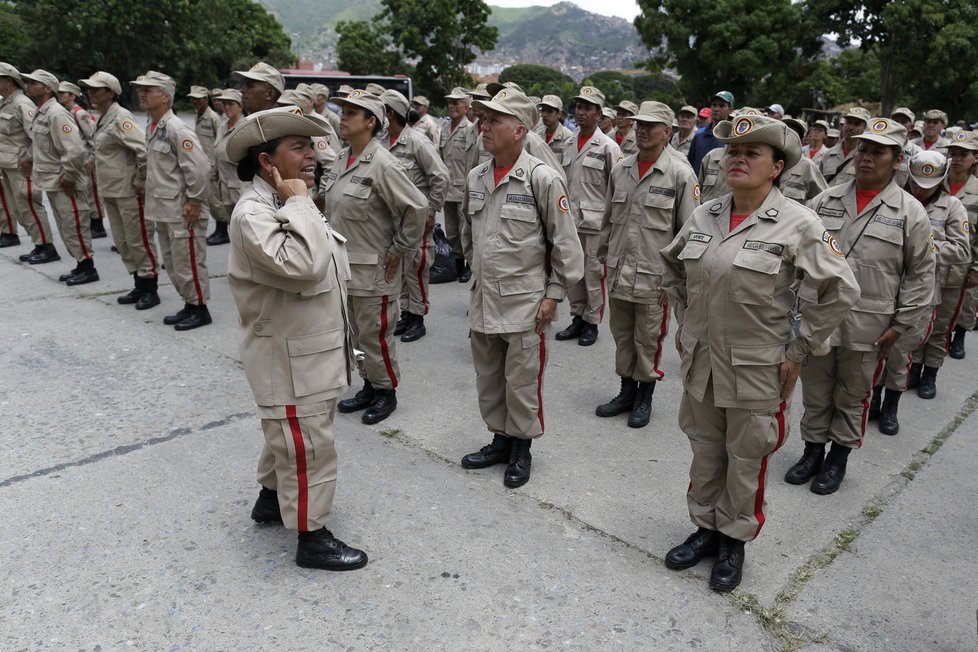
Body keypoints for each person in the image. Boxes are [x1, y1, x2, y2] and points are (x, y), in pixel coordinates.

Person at [660, 114, 859, 592]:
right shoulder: (706, 213)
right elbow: (671, 266)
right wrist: (684, 322)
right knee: (705, 451)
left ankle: (734, 540)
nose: (738, 158)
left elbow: (841, 288)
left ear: (777, 167)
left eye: (752, 153)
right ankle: (705, 528)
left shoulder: (798, 222)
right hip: (703, 363)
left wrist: (800, 345)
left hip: (758, 365)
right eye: (733, 151)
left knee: (746, 457)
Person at [224, 106, 367, 571]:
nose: (313, 155)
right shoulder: (255, 213)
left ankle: (271, 499)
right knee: (308, 446)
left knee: (292, 436)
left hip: (309, 353)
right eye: (298, 147)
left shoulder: (285, 204)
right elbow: (304, 268)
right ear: (268, 162)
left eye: (311, 146)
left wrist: (299, 202)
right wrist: (302, 202)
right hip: (287, 358)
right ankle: (313, 538)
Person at [789, 117, 935, 494]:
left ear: (898, 159)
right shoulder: (826, 199)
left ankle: (838, 459)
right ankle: (811, 451)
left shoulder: (910, 212)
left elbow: (921, 274)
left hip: (870, 322)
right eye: (863, 149)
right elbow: (795, 255)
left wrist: (902, 325)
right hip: (819, 316)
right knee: (816, 388)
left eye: (878, 152)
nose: (866, 157)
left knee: (853, 394)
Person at [458, 87, 584, 487]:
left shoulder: (542, 178)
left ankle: (521, 448)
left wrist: (553, 293)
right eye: (483, 119)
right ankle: (499, 439)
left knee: (523, 380)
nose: (485, 126)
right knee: (489, 376)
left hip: (525, 301)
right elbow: (468, 232)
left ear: (519, 129)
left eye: (494, 120)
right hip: (484, 297)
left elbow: (565, 245)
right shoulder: (476, 176)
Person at [322, 90, 427, 424]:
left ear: (371, 122)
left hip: (373, 268)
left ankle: (386, 391)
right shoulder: (343, 157)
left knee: (375, 334)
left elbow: (416, 207)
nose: (344, 116)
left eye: (353, 112)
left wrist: (399, 248)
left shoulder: (382, 163)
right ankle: (368, 382)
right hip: (344, 267)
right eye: (343, 110)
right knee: (354, 333)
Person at [595, 101, 698, 428]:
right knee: (622, 335)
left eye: (650, 125)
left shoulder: (680, 174)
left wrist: (678, 282)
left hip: (655, 277)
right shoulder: (621, 169)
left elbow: (689, 234)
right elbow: (609, 221)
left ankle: (644, 397)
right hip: (620, 270)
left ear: (667, 132)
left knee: (648, 339)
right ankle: (626, 391)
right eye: (639, 124)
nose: (641, 129)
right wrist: (603, 260)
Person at [131, 71, 213, 330]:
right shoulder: (154, 126)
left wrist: (195, 201)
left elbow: (199, 168)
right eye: (140, 89)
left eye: (149, 90)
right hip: (163, 208)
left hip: (182, 209)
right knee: (175, 264)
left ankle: (200, 309)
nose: (142, 93)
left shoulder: (177, 128)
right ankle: (189, 304)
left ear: (165, 97)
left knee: (189, 262)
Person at [80, 71, 160, 309]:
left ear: (111, 93)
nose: (91, 94)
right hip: (111, 189)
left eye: (97, 90)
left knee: (139, 240)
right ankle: (138, 283)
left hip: (128, 190)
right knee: (123, 241)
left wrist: (140, 181)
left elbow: (143, 151)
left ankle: (150, 288)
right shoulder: (102, 117)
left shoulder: (120, 118)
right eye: (89, 90)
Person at [380, 89, 450, 343]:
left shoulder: (417, 141)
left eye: (382, 110)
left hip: (417, 216)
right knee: (400, 268)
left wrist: (432, 210)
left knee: (417, 267)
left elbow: (440, 177)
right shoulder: (383, 142)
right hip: (393, 218)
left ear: (391, 114)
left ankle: (418, 317)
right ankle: (407, 314)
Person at [555, 86, 622, 347]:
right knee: (573, 273)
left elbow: (618, 188)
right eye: (578, 107)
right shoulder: (569, 142)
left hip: (596, 223)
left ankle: (592, 321)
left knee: (593, 274)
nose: (580, 112)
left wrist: (613, 226)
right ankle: (578, 316)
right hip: (570, 220)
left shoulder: (608, 146)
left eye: (587, 108)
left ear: (598, 114)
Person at [901, 151, 970, 402]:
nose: (921, 190)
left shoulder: (952, 206)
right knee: (906, 336)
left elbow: (961, 249)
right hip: (897, 281)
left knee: (936, 330)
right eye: (917, 184)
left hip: (935, 281)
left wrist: (923, 247)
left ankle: (929, 374)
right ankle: (913, 371)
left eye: (927, 186)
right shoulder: (899, 200)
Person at [22, 69, 99, 285]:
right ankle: (80, 265)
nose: (28, 86)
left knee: (75, 223)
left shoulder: (56, 113)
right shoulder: (42, 112)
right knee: (66, 226)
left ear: (47, 89)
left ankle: (88, 267)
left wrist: (69, 175)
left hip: (66, 181)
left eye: (33, 83)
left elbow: (74, 150)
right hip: (53, 181)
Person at [0, 62, 57, 262]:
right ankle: (39, 244)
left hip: (21, 166)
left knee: (30, 205)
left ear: (8, 82)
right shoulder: (6, 102)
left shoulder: (22, 104)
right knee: (19, 209)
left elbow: (37, 136)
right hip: (7, 164)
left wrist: (29, 157)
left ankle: (47, 247)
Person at [439, 87, 478, 283]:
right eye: (450, 102)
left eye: (456, 102)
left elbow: (473, 161)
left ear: (466, 106)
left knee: (466, 230)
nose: (452, 106)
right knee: (452, 230)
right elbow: (440, 158)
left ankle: (469, 265)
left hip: (463, 188)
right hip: (447, 188)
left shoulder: (470, 130)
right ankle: (457, 263)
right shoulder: (444, 128)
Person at [57, 81, 105, 239]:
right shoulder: (66, 112)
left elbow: (93, 137)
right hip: (78, 161)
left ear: (72, 96)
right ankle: (92, 222)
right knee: (84, 192)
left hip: (86, 160)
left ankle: (98, 225)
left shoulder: (80, 113)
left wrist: (92, 158)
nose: (59, 96)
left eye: (63, 93)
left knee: (92, 193)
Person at [945, 131, 978, 358]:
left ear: (975, 157)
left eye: (963, 154)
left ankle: (960, 335)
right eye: (953, 153)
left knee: (965, 302)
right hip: (937, 255)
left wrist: (976, 269)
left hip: (964, 260)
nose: (956, 158)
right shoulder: (935, 182)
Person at [187, 86, 229, 246]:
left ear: (206, 99)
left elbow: (219, 142)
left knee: (216, 200)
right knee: (211, 200)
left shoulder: (213, 117)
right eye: (193, 99)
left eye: (198, 99)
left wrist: (218, 166)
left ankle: (222, 231)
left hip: (213, 165)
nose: (195, 102)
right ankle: (219, 230)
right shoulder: (198, 115)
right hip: (203, 164)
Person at [213, 89, 245, 219]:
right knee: (232, 228)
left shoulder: (245, 127)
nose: (227, 107)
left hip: (240, 188)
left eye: (231, 104)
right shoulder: (222, 126)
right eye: (224, 104)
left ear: (240, 105)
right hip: (224, 186)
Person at [780, 118, 828, 203]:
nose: (787, 138)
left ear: (801, 142)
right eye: (785, 133)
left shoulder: (807, 166)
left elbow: (825, 198)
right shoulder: (766, 162)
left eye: (793, 135)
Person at [818, 107, 869, 187]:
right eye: (849, 122)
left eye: (857, 124)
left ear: (865, 128)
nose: (851, 127)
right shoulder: (828, 154)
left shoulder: (866, 158)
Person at [687, 91, 734, 174]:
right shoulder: (699, 136)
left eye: (722, 105)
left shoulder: (732, 138)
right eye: (714, 105)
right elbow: (689, 164)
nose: (716, 109)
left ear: (730, 110)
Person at [537, 95, 574, 161]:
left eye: (550, 111)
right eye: (543, 110)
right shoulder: (537, 134)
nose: (545, 115)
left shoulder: (568, 137)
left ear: (559, 114)